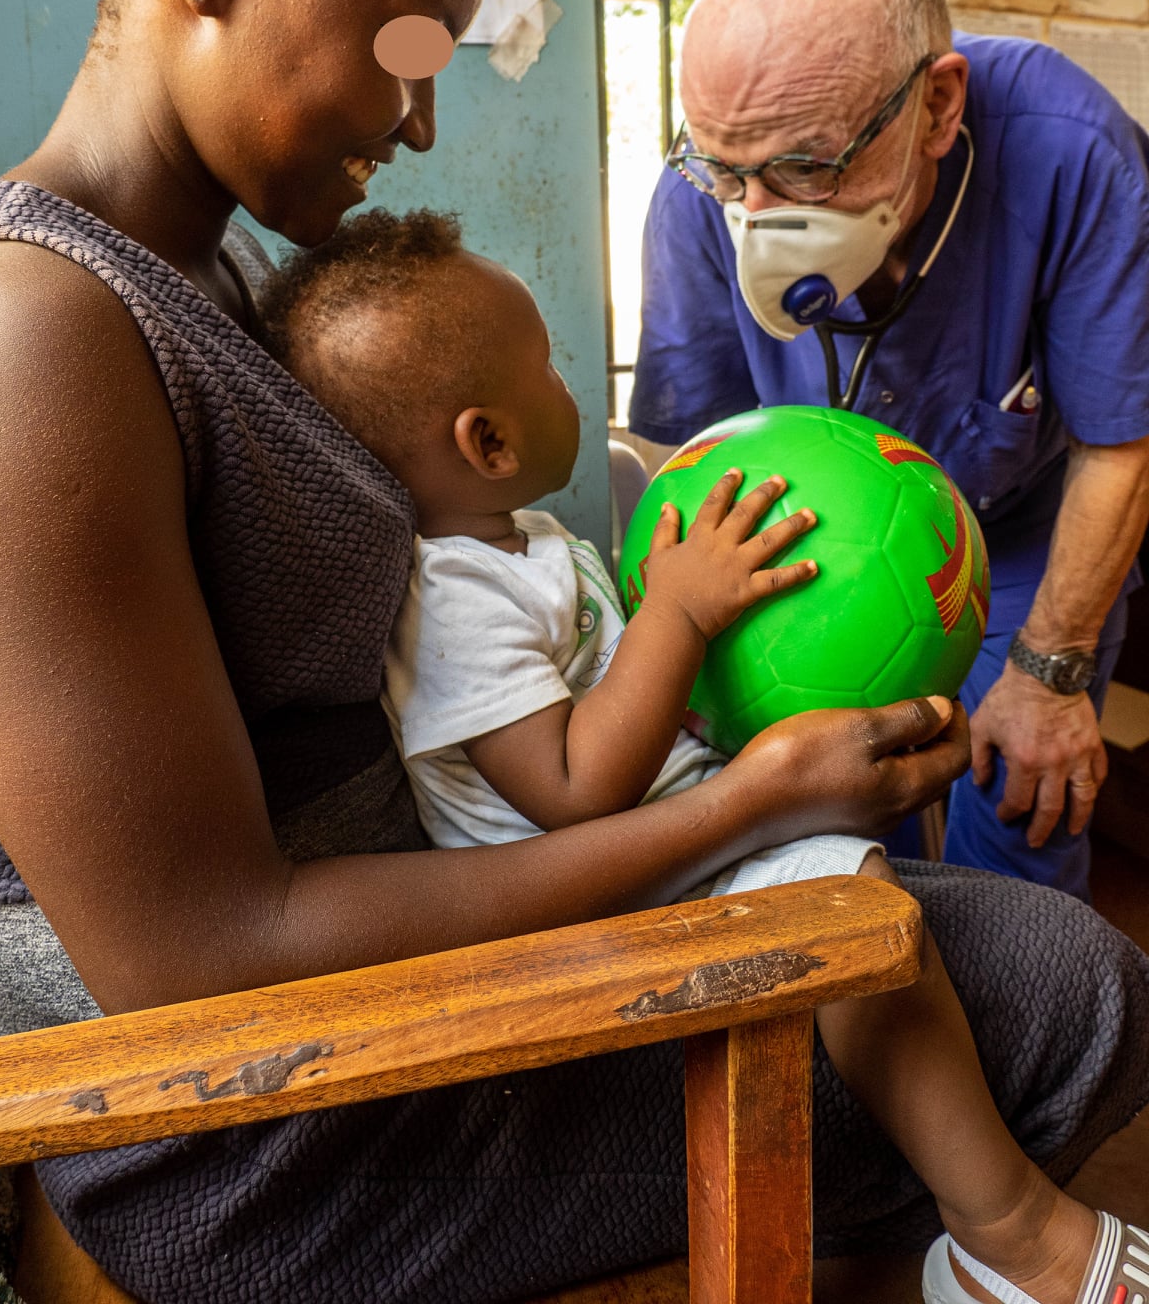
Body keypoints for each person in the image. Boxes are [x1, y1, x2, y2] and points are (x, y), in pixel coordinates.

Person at [0, 0, 1145, 1300]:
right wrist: (737, 803)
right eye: (404, 45)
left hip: (381, 1002)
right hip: (280, 1131)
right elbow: (198, 959)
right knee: (1055, 993)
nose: (427, 112)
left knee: (987, 952)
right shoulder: (4, 342)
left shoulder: (199, 279)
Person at [265, 205, 1144, 1304]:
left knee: (874, 857)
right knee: (861, 926)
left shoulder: (525, 543)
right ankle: (1008, 1233)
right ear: (486, 441)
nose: (566, 377)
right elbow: (570, 791)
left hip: (659, 845)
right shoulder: (449, 599)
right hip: (592, 908)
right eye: (544, 362)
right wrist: (677, 616)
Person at [628, 0, 1149, 901]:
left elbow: (1119, 442)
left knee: (1021, 804)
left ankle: (1021, 1044)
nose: (759, 211)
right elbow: (688, 456)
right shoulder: (696, 194)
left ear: (939, 106)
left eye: (808, 166)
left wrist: (1049, 672)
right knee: (829, 850)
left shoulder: (1073, 154)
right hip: (799, 546)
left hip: (1020, 538)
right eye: (729, 168)